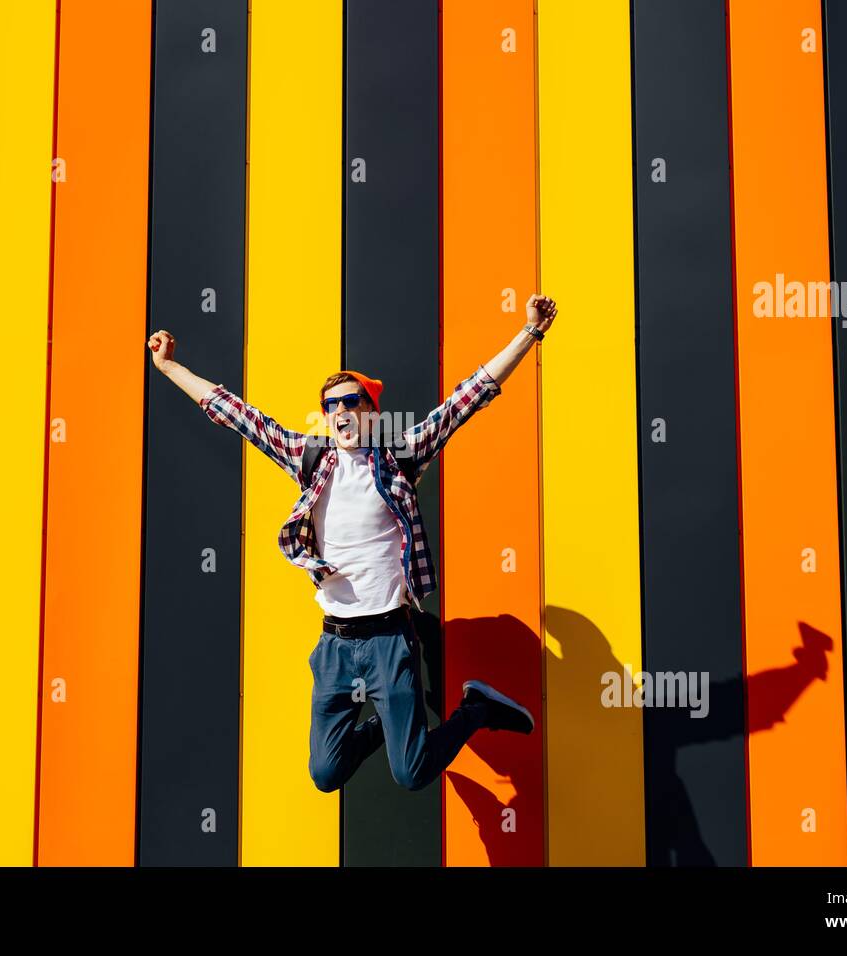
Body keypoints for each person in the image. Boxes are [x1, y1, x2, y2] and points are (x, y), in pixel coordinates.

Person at [148, 294, 558, 792]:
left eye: (350, 401)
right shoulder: (309, 458)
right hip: (335, 646)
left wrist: (529, 332)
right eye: (331, 405)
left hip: (389, 640)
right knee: (326, 772)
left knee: (412, 774)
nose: (339, 411)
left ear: (370, 410)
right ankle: (391, 725)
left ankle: (474, 710)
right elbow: (234, 412)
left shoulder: (398, 455)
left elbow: (469, 397)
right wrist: (168, 368)